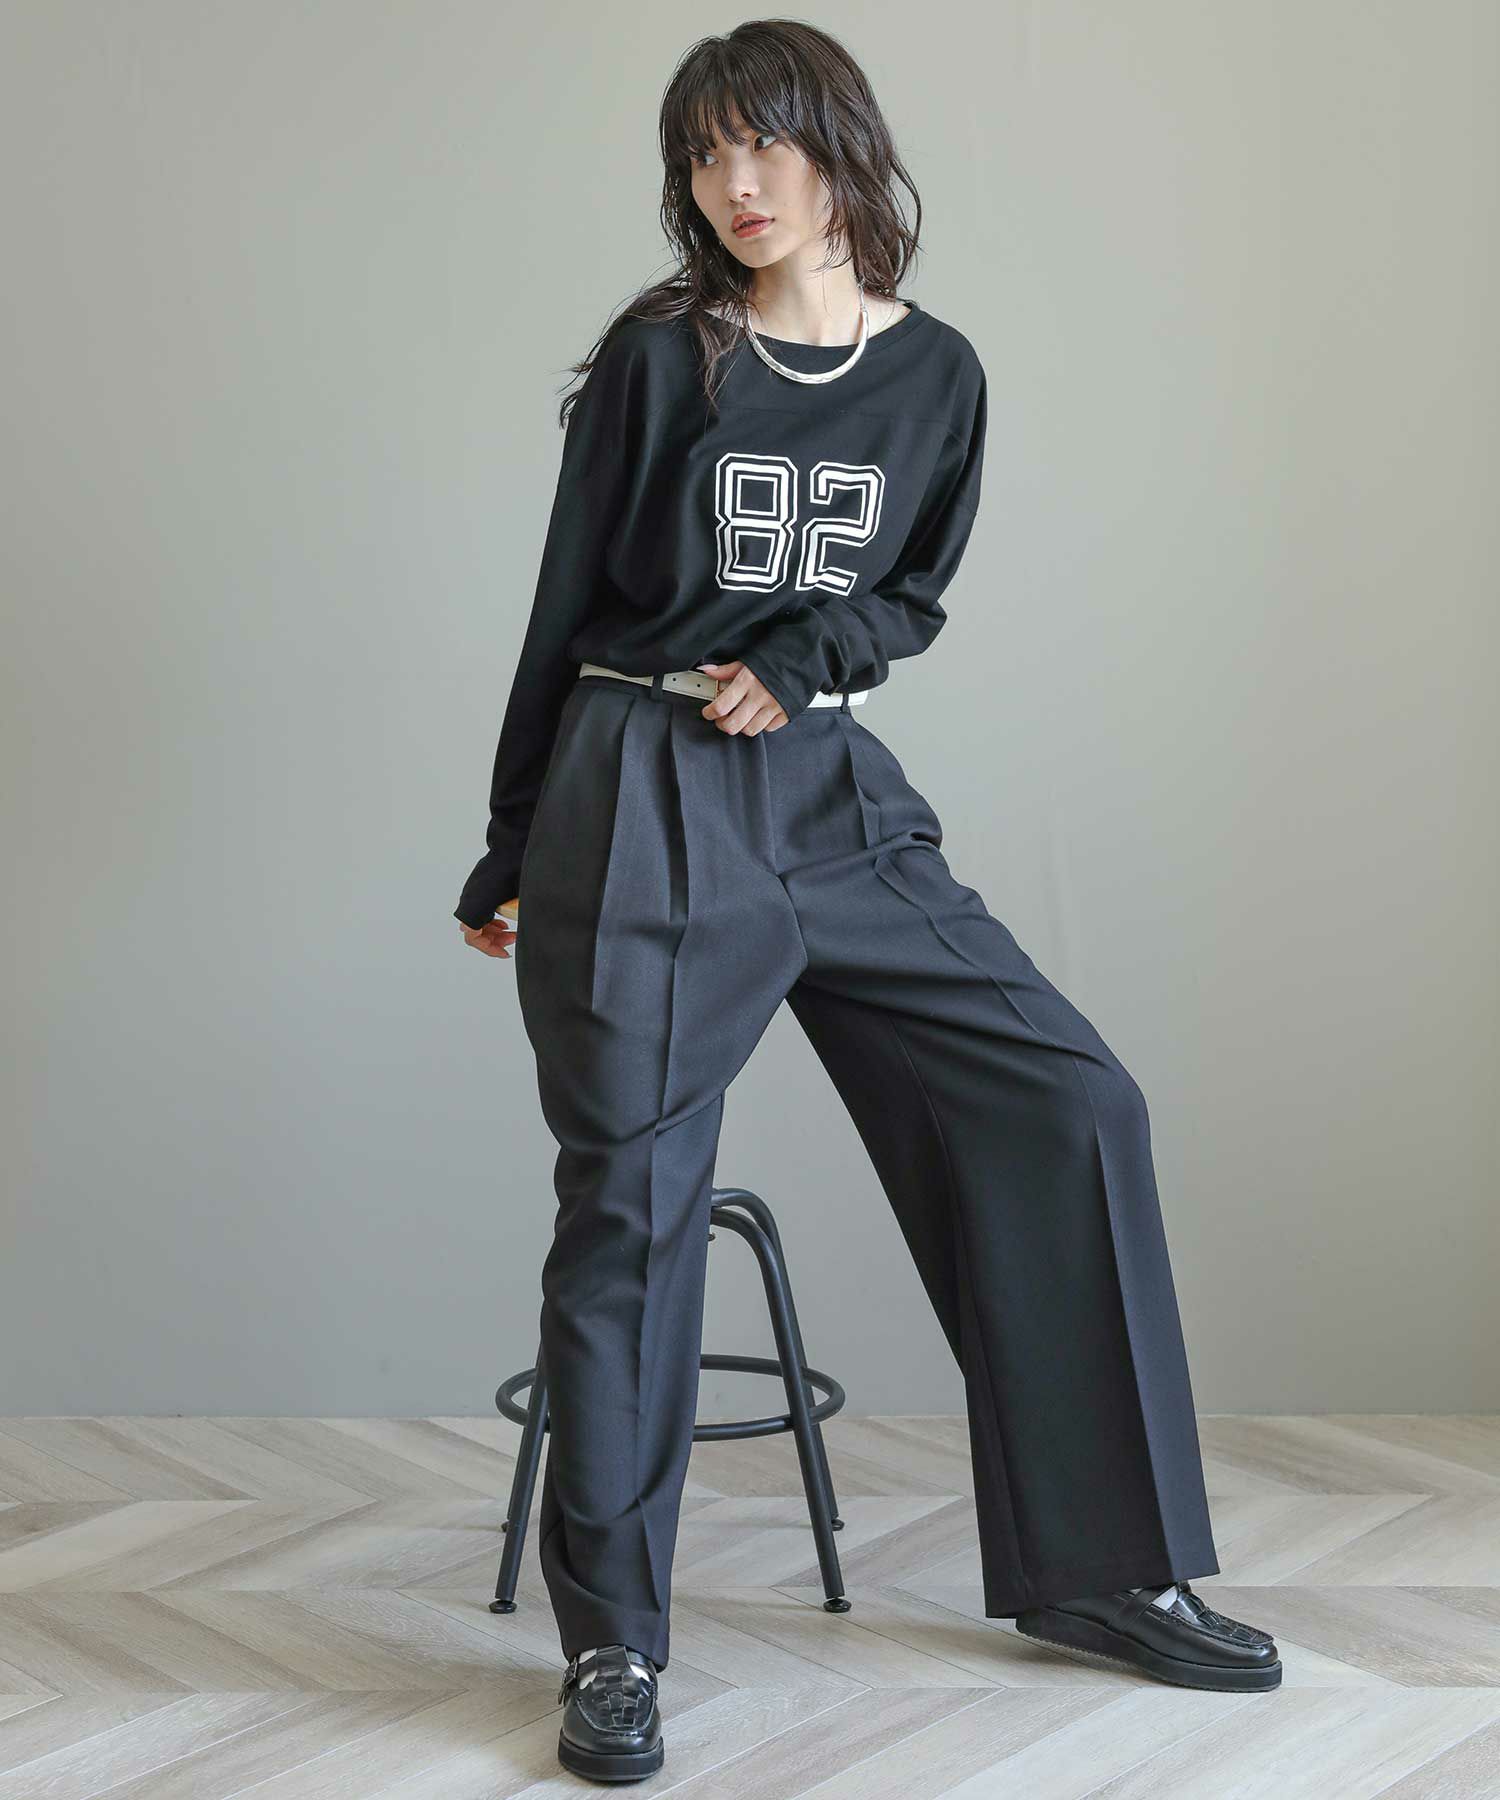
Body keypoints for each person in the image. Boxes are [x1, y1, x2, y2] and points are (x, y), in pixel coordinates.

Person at [454, 20, 1279, 1784]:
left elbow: (909, 592)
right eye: (703, 155)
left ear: (842, 151)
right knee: (635, 1206)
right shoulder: (663, 363)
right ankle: (615, 1645)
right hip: (639, 785)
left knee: (1068, 1103)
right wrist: (515, 836)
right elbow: (560, 600)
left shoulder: (939, 375)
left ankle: (1099, 1570)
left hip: (827, 797)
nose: (733, 184)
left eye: (763, 145)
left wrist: (810, 650)